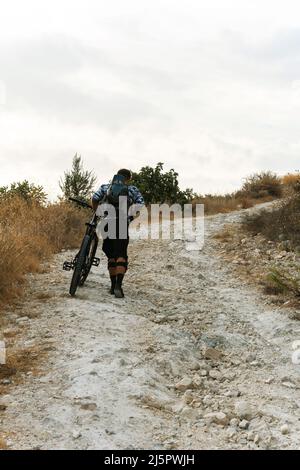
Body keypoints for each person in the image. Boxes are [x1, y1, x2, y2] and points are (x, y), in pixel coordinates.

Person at [92, 169, 144, 298]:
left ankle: (112, 285)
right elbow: (140, 205)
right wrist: (130, 217)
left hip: (107, 222)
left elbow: (95, 198)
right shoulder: (132, 189)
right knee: (121, 254)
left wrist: (97, 213)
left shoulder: (106, 187)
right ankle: (118, 286)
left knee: (111, 255)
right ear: (128, 178)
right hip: (121, 222)